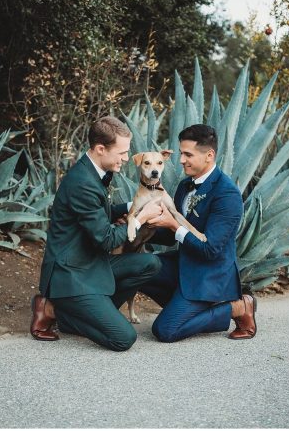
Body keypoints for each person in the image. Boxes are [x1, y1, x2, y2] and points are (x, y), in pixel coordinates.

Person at [30, 116, 164, 351]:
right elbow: (107, 240)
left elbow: (100, 212)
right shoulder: (82, 182)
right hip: (72, 273)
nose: (126, 158)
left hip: (90, 262)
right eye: (122, 152)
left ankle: (95, 313)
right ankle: (53, 310)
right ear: (101, 149)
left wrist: (133, 207)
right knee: (123, 338)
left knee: (150, 264)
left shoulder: (94, 171)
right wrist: (141, 217)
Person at [139, 124, 256, 342]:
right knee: (135, 267)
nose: (181, 160)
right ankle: (185, 309)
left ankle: (238, 307)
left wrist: (174, 226)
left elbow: (210, 250)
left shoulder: (227, 194)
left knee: (165, 330)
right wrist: (143, 224)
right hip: (184, 265)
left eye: (188, 154)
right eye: (181, 153)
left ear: (209, 155)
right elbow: (170, 236)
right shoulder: (185, 186)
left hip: (209, 276)